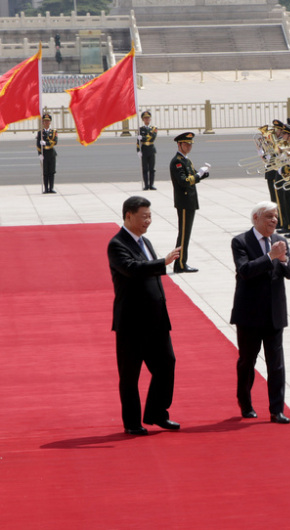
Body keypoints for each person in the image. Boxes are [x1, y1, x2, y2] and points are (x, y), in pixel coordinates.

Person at [107, 196, 181, 435]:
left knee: (166, 365)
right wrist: (164, 262)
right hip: (132, 322)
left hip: (157, 321)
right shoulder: (117, 244)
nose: (148, 220)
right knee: (130, 375)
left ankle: (157, 413)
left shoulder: (146, 241)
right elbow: (132, 269)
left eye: (150, 216)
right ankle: (132, 422)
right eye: (144, 216)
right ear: (128, 215)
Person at [230, 201, 290, 423]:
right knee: (247, 361)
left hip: (274, 312)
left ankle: (276, 409)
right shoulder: (241, 241)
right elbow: (245, 271)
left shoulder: (280, 241)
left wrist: (284, 259)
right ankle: (246, 402)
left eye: (276, 216)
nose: (274, 220)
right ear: (256, 218)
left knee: (276, 363)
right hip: (249, 314)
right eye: (269, 216)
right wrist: (270, 257)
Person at [170, 132, 209, 273]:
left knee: (186, 234)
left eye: (190, 144)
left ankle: (181, 262)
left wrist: (202, 174)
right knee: (184, 234)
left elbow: (192, 176)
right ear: (179, 144)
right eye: (186, 144)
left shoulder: (186, 160)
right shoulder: (177, 161)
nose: (189, 146)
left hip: (190, 201)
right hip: (184, 202)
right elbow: (184, 181)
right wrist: (198, 175)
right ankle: (180, 264)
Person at [137, 111, 158, 191]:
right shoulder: (140, 129)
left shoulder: (154, 128)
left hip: (151, 149)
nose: (147, 119)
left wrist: (142, 138)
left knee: (152, 169)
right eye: (145, 118)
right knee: (145, 168)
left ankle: (151, 184)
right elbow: (137, 141)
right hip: (144, 150)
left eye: (148, 118)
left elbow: (153, 138)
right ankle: (146, 185)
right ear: (143, 119)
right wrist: (138, 150)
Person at [36, 113, 57, 194]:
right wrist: (39, 154)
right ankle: (46, 188)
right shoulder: (40, 133)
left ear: (50, 122)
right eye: (44, 121)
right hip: (44, 154)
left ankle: (51, 188)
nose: (46, 123)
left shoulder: (53, 132)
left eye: (47, 121)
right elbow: (38, 145)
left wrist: (46, 143)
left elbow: (55, 142)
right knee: (45, 172)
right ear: (43, 122)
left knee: (52, 171)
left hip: (51, 154)